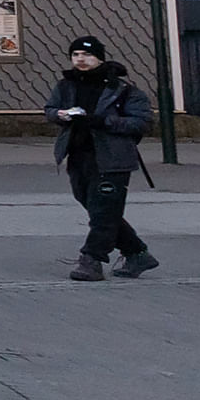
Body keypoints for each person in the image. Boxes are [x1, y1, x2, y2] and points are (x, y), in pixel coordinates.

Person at [46, 35, 159, 280]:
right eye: (76, 55)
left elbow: (141, 122)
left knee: (104, 211)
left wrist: (102, 121)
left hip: (112, 158)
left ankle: (91, 259)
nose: (81, 59)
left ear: (99, 58)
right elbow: (50, 109)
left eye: (87, 55)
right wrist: (61, 114)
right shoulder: (66, 85)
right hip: (78, 154)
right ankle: (137, 253)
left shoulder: (123, 89)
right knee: (98, 209)